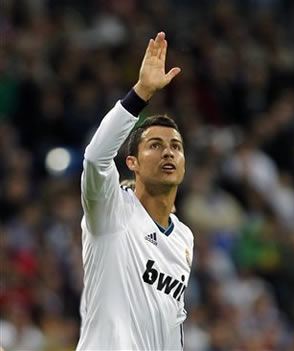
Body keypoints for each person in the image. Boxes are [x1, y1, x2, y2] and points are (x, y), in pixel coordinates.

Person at [76, 32, 193, 350]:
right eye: (155, 145)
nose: (168, 153)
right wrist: (141, 93)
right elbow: (96, 157)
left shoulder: (184, 238)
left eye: (176, 147)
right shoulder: (111, 212)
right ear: (133, 162)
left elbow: (171, 324)